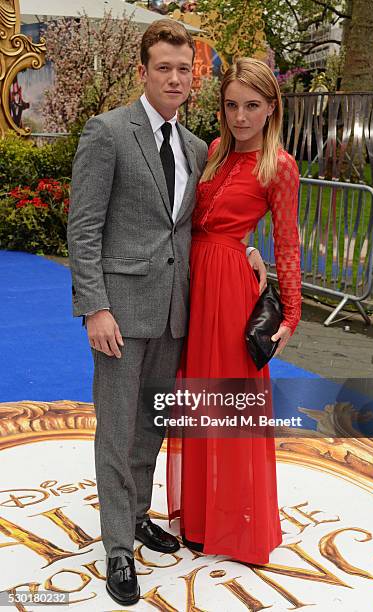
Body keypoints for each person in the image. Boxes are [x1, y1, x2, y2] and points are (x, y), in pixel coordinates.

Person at [67, 20, 209, 607]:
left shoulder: (197, 148)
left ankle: (137, 515)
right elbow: (84, 227)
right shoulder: (108, 133)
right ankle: (118, 547)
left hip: (174, 312)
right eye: (164, 68)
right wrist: (95, 307)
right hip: (120, 314)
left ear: (193, 75)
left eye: (184, 69)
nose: (175, 78)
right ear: (143, 72)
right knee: (117, 429)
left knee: (151, 426)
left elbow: (190, 229)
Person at [167, 57, 302, 565]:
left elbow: (288, 243)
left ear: (271, 108)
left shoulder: (280, 166)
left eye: (251, 106)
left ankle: (237, 526)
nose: (240, 116)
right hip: (191, 280)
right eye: (231, 105)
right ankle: (199, 520)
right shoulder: (213, 151)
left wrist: (291, 313)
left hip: (228, 295)